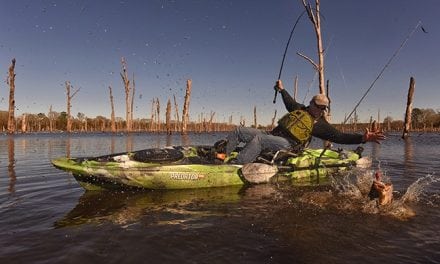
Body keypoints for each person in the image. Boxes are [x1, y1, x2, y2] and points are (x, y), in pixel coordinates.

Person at [217, 80, 386, 164]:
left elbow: (340, 136)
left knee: (259, 140)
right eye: (318, 106)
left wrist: (363, 138)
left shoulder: (320, 125)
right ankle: (223, 154)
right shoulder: (300, 109)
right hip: (272, 135)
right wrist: (281, 89)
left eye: (323, 108)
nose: (320, 110)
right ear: (311, 103)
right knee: (239, 130)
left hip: (289, 145)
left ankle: (237, 166)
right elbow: (289, 101)